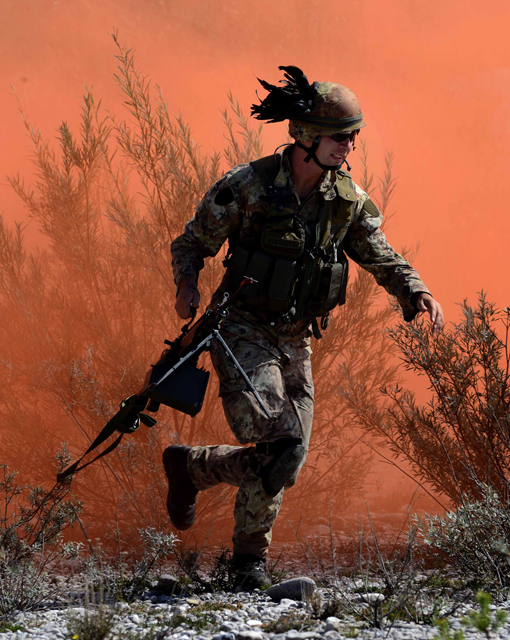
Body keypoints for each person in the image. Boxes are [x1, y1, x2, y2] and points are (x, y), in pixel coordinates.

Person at [164, 66, 444, 590]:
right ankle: (249, 566)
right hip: (241, 328)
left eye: (354, 136)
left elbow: (378, 253)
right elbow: (190, 243)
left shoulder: (346, 201)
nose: (349, 146)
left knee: (284, 461)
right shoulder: (246, 187)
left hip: (296, 340)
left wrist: (415, 291)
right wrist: (187, 287)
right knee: (278, 437)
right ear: (307, 137)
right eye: (341, 136)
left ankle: (194, 471)